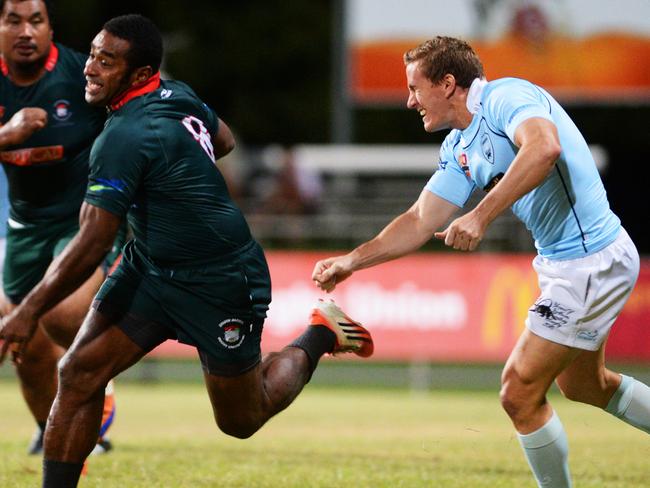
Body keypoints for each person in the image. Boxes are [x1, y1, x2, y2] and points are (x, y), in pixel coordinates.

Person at [0, 14, 373, 487]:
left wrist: (27, 311)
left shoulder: (123, 137)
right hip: (152, 269)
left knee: (241, 419)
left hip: (218, 278)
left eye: (106, 61)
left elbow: (91, 242)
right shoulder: (177, 95)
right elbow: (225, 139)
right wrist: (176, 175)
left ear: (139, 75)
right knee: (78, 372)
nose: (89, 69)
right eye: (92, 54)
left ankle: (321, 333)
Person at [312, 36, 649, 488]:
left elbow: (544, 148)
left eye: (415, 88)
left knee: (519, 392)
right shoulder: (459, 147)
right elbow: (418, 219)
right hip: (564, 265)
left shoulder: (507, 97)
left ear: (448, 83)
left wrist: (480, 215)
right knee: (586, 387)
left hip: (591, 261)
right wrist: (351, 261)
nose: (409, 101)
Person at [0, 0, 119, 455]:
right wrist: (7, 136)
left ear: (50, 27)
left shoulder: (78, 73)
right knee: (24, 345)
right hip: (24, 225)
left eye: (36, 20)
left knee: (59, 312)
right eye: (14, 20)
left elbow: (132, 116)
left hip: (84, 220)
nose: (26, 31)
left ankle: (96, 376)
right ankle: (56, 430)